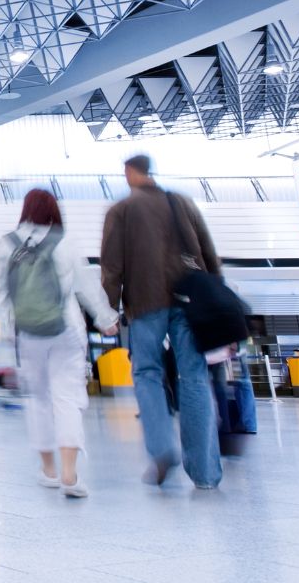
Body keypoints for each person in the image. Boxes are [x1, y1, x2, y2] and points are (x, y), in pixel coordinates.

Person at [101, 153, 223, 489]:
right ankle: (206, 473)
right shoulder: (180, 203)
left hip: (144, 303)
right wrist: (218, 298)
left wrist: (108, 310)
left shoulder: (121, 211)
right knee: (195, 376)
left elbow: (111, 266)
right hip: (189, 302)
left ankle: (161, 448)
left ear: (130, 172)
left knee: (146, 373)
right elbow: (208, 252)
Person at [0, 188, 116, 497]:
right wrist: (105, 319)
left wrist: (10, 330)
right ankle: (70, 474)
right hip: (66, 330)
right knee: (67, 398)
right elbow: (87, 286)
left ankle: (48, 470)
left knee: (38, 400)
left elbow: (1, 294)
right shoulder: (64, 242)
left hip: (27, 334)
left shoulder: (7, 244)